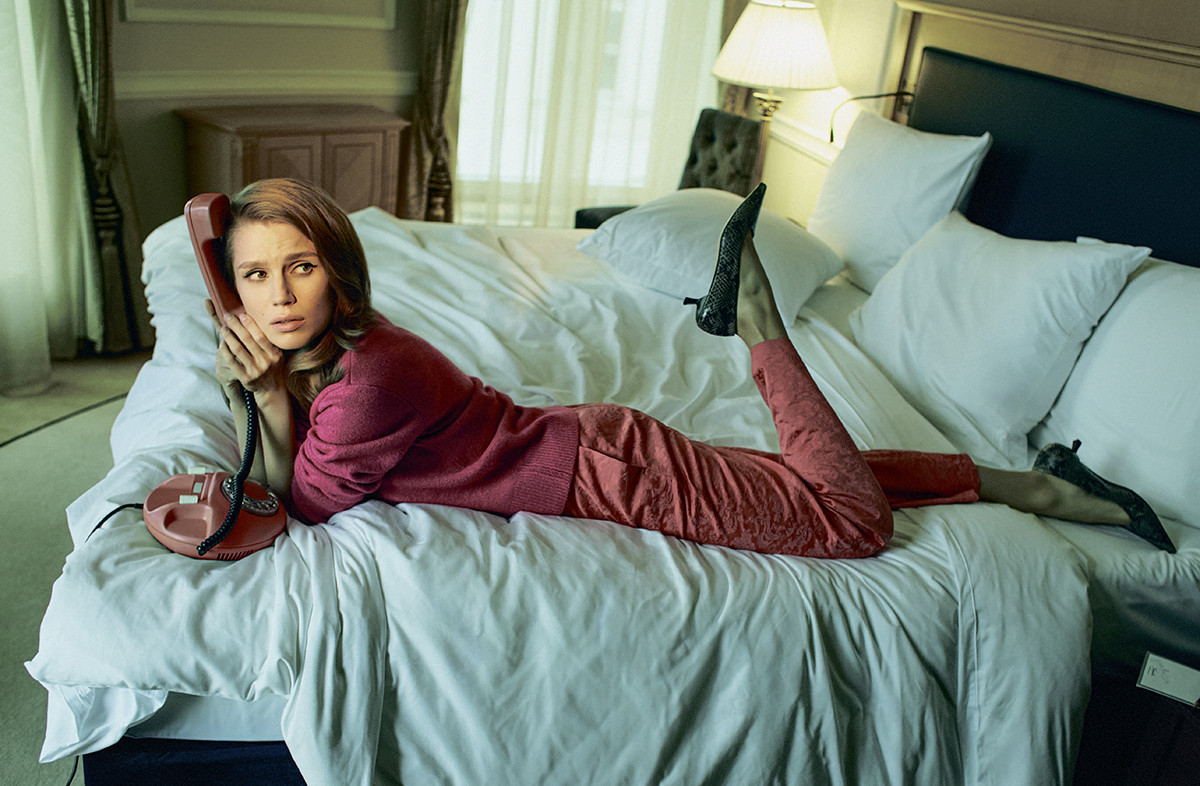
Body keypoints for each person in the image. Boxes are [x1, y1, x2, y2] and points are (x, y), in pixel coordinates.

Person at [209, 178, 1175, 558]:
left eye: (301, 267)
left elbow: (309, 504)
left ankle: (758, 322)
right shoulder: (349, 349)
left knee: (846, 521)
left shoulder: (367, 378)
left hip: (609, 473)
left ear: (339, 269)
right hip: (593, 449)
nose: (280, 297)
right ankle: (1035, 488)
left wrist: (264, 397)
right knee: (809, 481)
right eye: (255, 277)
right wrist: (275, 385)